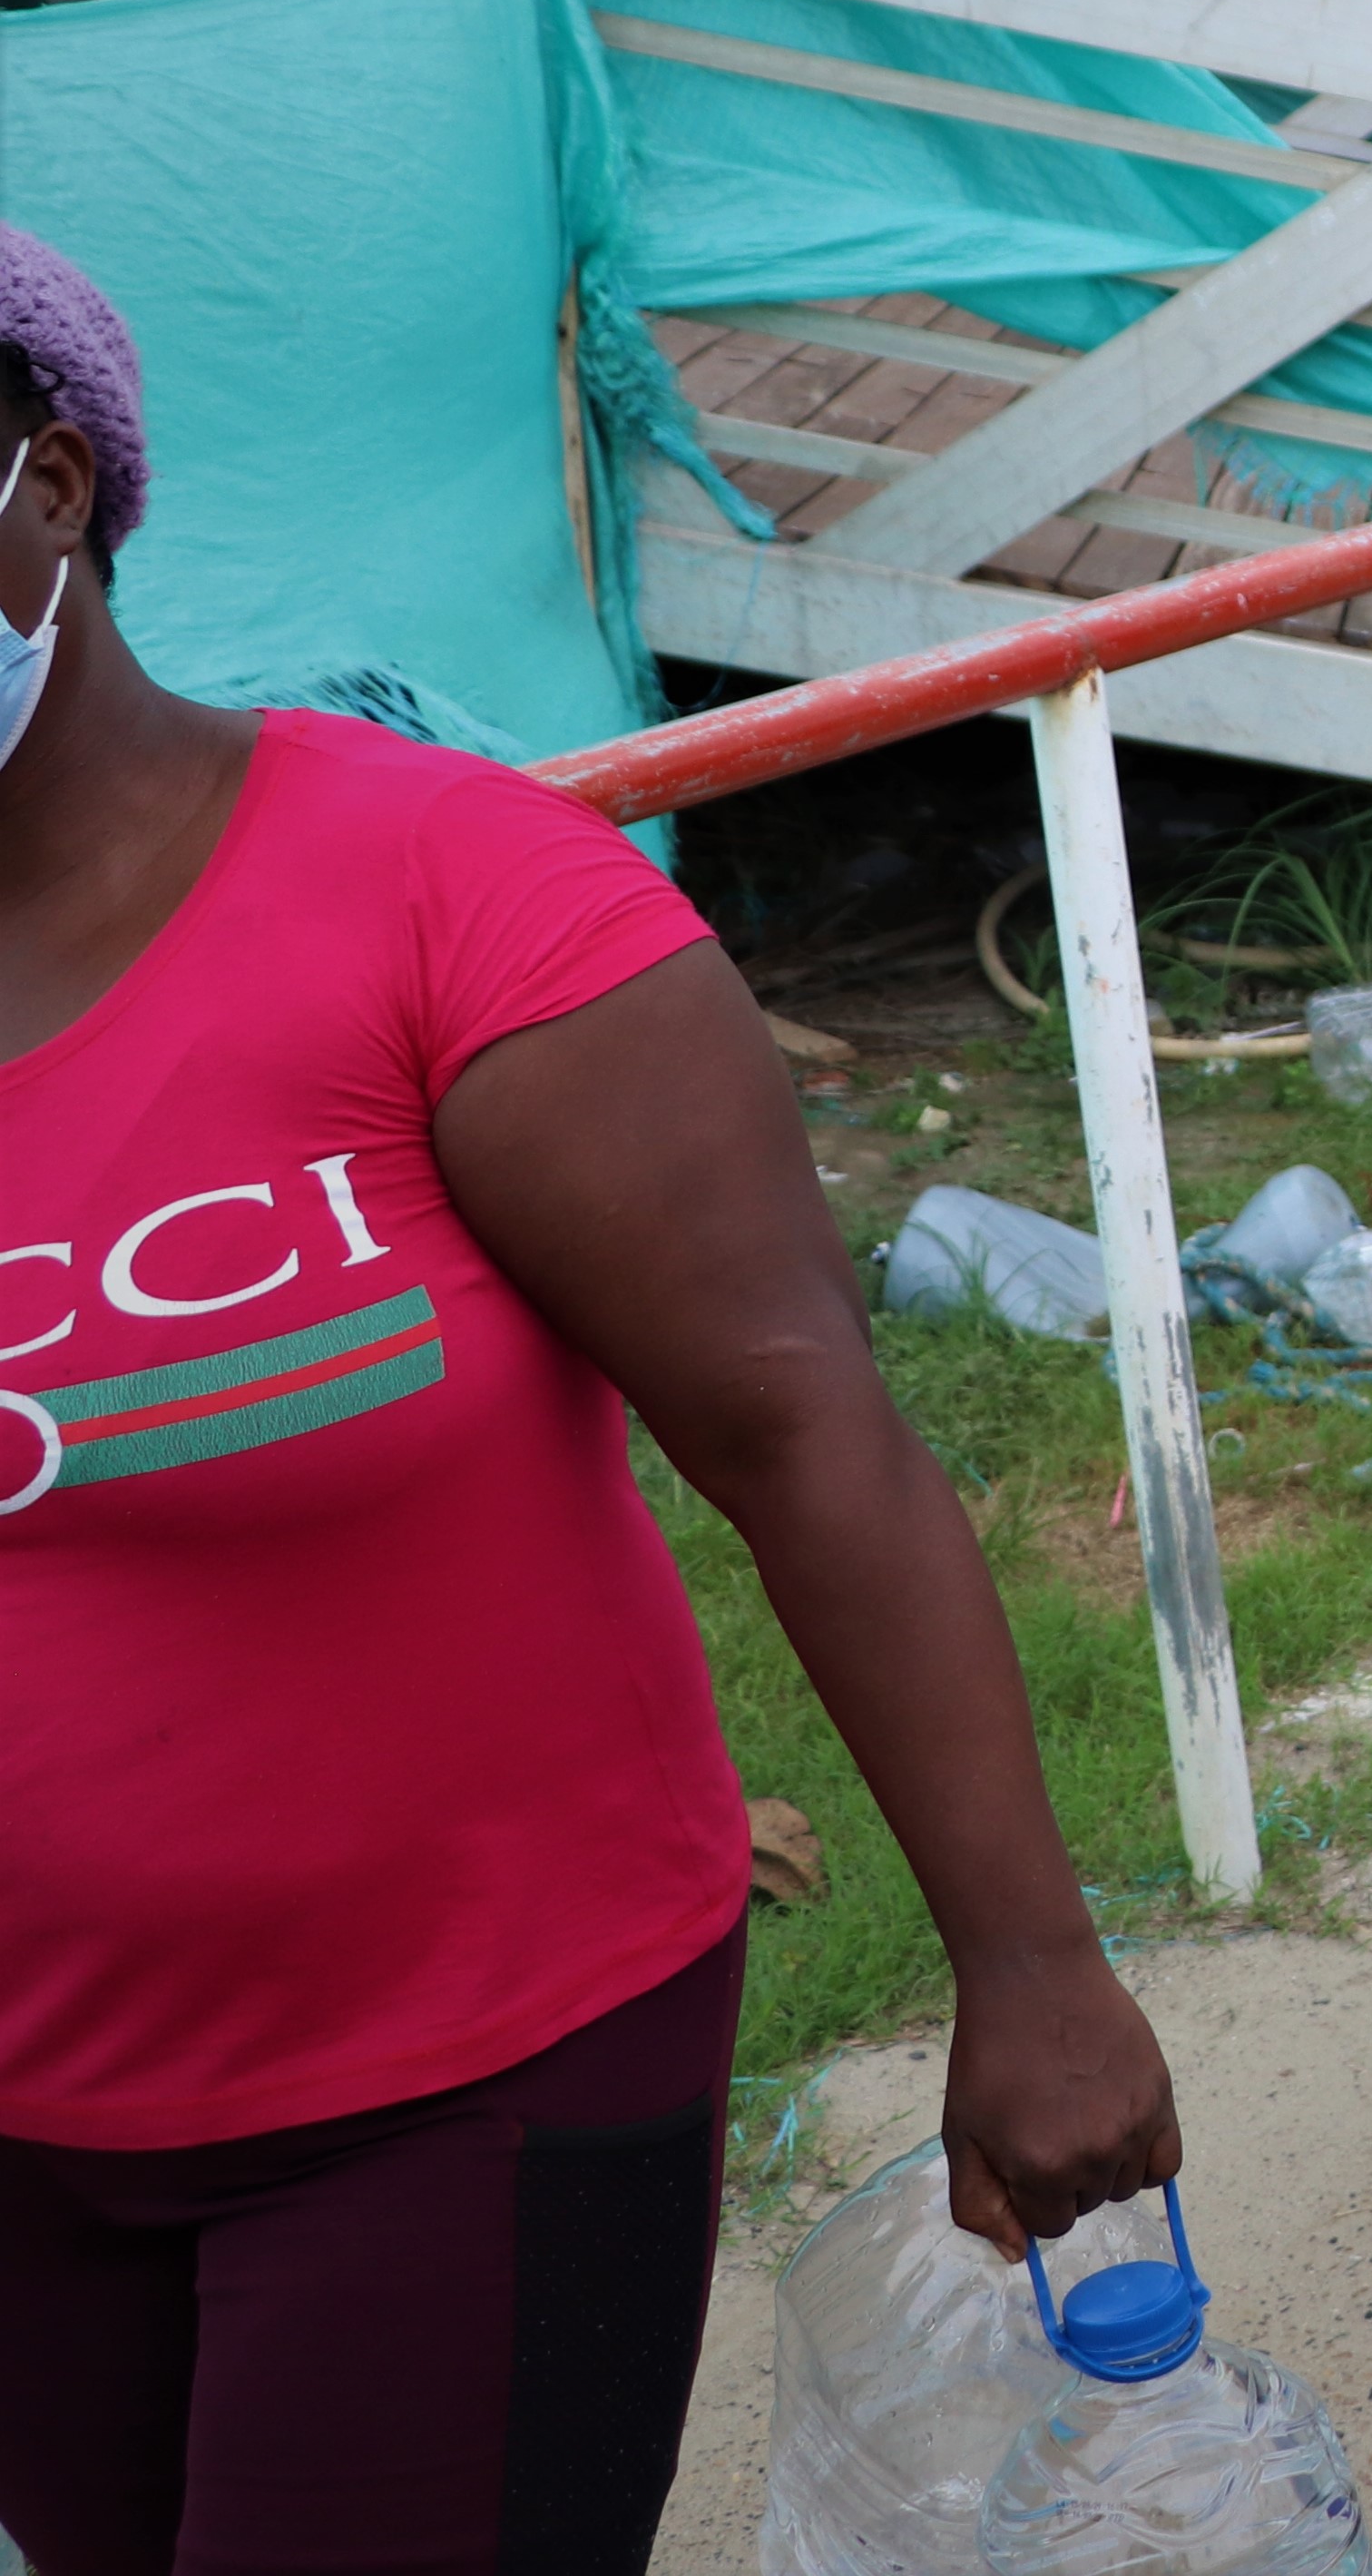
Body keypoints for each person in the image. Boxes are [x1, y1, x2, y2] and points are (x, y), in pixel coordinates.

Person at [0, 231, 1181, 2573]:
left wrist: (1033, 1969)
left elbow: (805, 1436)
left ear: (48, 488)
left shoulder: (450, 906)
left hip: (463, 2076)